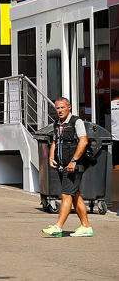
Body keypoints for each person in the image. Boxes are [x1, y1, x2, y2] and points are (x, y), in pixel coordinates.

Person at [42, 97, 95, 237]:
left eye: (62, 107)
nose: (59, 110)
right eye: (57, 108)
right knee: (75, 195)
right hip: (62, 165)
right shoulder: (57, 124)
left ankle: (58, 227)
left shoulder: (76, 122)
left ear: (69, 107)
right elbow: (54, 142)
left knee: (66, 195)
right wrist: (51, 157)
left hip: (74, 166)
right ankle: (86, 227)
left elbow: (83, 142)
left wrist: (74, 160)